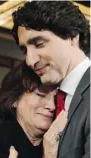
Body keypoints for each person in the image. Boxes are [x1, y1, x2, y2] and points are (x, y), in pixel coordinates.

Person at [12, 1, 90, 158]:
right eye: (25, 51)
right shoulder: (59, 98)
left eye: (39, 44)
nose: (30, 60)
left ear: (72, 36)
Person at [0, 62, 67, 158]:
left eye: (55, 99)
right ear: (14, 99)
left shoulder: (64, 143)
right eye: (41, 94)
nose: (52, 106)